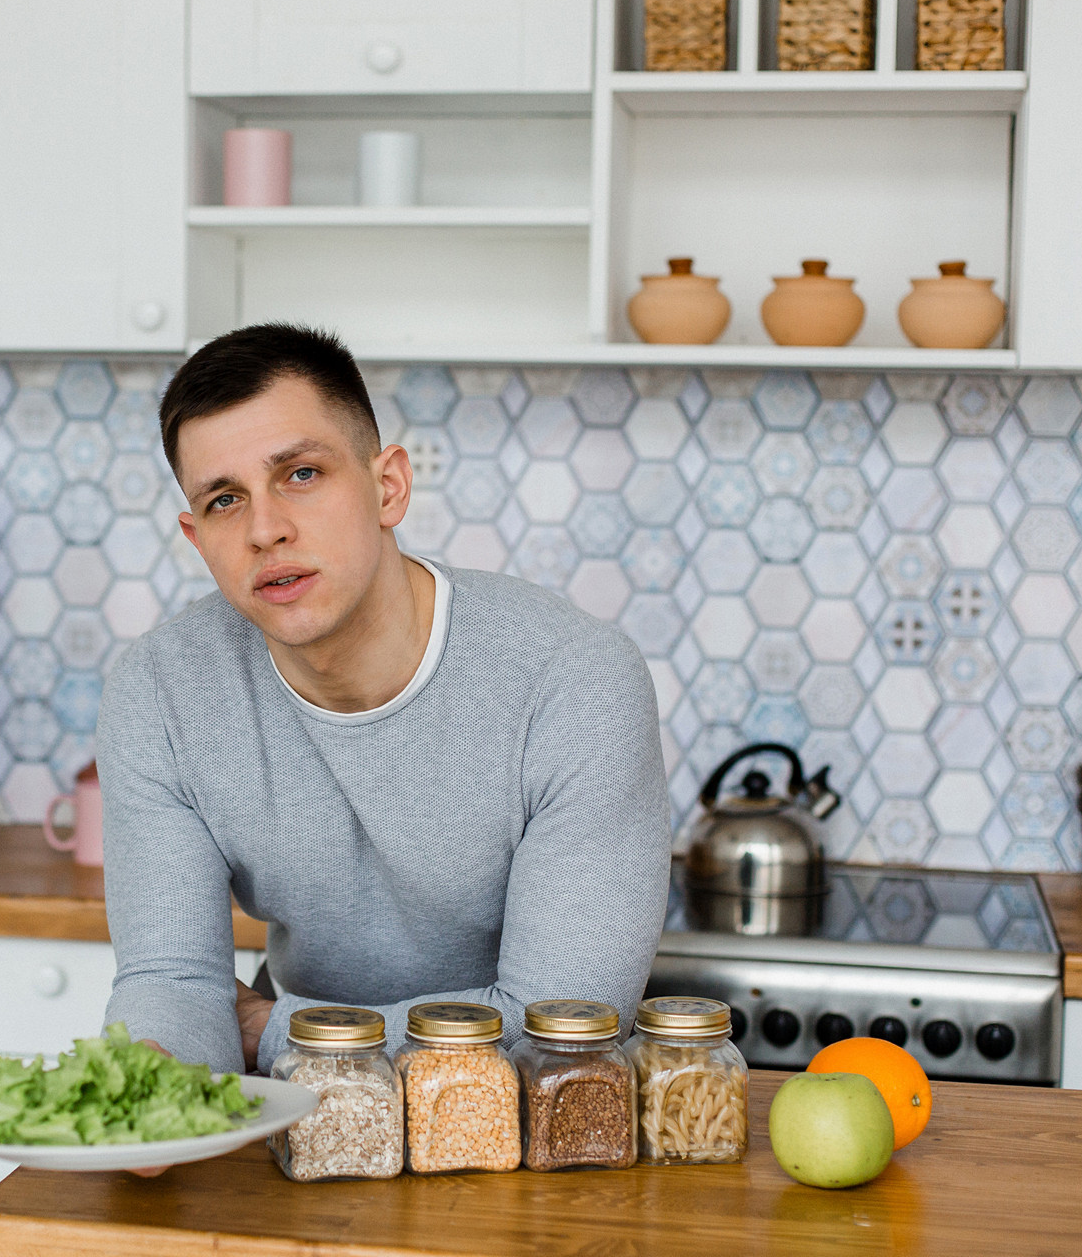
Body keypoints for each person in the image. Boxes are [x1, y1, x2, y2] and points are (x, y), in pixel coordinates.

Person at [97, 322, 671, 1081]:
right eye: (225, 499)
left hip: (530, 1123)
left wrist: (274, 1031)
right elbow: (172, 981)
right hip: (301, 1110)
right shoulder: (158, 693)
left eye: (301, 473)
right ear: (197, 537)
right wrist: (148, 1093)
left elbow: (560, 1023)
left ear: (387, 486)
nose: (265, 529)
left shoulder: (575, 679)